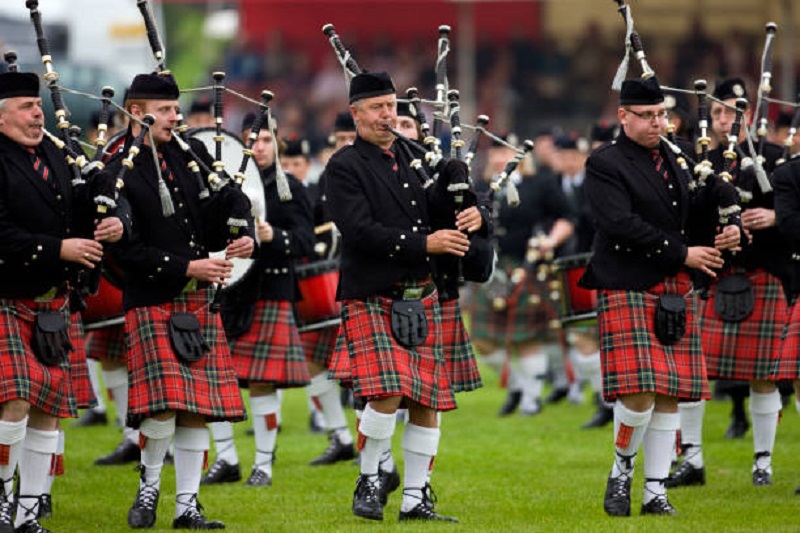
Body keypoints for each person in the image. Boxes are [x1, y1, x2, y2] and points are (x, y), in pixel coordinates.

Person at [580, 77, 740, 517]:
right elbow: (618, 224)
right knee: (638, 393)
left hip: (675, 286)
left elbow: (699, 211)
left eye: (662, 116)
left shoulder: (681, 156)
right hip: (627, 284)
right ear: (624, 117)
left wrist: (725, 230)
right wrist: (683, 252)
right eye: (647, 116)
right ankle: (621, 471)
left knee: (669, 393)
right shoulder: (605, 163)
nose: (657, 124)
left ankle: (655, 492)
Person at [107, 72, 254, 530]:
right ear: (137, 112)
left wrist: (240, 231)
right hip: (152, 296)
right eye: (168, 110)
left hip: (197, 301)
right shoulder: (117, 167)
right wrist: (188, 267)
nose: (178, 118)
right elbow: (124, 251)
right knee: (163, 405)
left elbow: (224, 206)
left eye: (177, 109)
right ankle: (150, 486)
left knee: (196, 407)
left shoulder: (189, 154)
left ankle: (186, 506)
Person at [326, 71, 469, 522]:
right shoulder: (344, 166)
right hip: (372, 293)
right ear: (356, 114)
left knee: (426, 401)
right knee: (385, 393)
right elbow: (359, 231)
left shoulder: (419, 157)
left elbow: (450, 208)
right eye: (377, 108)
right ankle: (370, 479)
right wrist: (425, 244)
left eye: (392, 106)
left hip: (422, 293)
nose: (387, 115)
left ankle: (416, 498)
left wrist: (470, 204)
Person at [0, 68, 124, 532]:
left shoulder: (56, 153)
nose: (39, 114)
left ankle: (30, 513)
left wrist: (113, 223)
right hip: (8, 296)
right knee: (13, 400)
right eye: (27, 108)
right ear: (2, 118)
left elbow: (93, 200)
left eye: (38, 106)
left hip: (54, 303)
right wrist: (59, 248)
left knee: (48, 410)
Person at [668, 78, 787, 489]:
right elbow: (686, 217)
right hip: (714, 276)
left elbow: (791, 211)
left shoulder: (775, 158)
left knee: (764, 375)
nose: (725, 119)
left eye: (734, 110)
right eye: (718, 111)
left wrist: (773, 219)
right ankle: (694, 460)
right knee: (692, 372)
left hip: (762, 274)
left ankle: (763, 462)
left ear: (749, 114)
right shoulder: (700, 162)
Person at [204, 112, 315, 487]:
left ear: (278, 143)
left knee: (265, 383)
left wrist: (273, 236)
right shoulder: (226, 184)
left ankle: (264, 465)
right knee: (215, 379)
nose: (259, 147)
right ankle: (227, 459)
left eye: (266, 139)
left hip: (271, 291)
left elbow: (305, 242)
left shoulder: (292, 189)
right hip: (229, 291)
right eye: (252, 139)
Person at [471, 134, 573, 417]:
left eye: (507, 151)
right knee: (482, 339)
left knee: (527, 338)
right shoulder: (481, 186)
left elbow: (566, 217)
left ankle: (531, 398)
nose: (501, 157)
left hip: (527, 266)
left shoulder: (539, 184)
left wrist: (550, 242)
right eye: (497, 152)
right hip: (491, 267)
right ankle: (517, 384)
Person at [551, 131, 611, 428]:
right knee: (581, 336)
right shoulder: (553, 184)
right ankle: (604, 400)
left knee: (603, 336)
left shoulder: (596, 183)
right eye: (561, 155)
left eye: (572, 155)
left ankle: (609, 399)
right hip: (571, 268)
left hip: (601, 266)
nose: (567, 161)